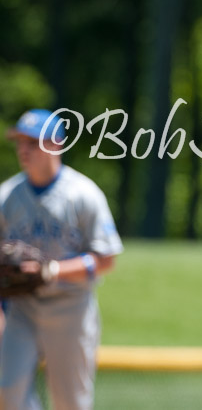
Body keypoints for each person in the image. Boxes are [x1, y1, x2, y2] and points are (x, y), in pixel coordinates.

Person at [0, 109, 124, 410]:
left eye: (33, 142)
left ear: (55, 144)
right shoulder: (6, 196)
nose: (24, 150)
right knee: (5, 391)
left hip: (71, 309)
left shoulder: (83, 194)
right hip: (22, 309)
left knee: (71, 403)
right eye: (20, 142)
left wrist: (52, 270)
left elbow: (106, 259)